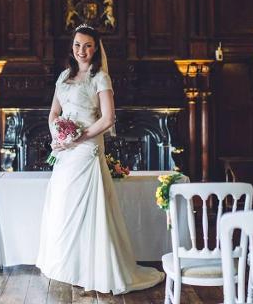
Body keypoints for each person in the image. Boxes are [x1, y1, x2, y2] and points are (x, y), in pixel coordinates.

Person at [36, 24, 164, 295]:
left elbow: (108, 119)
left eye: (87, 46)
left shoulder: (100, 78)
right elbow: (54, 114)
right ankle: (72, 267)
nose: (81, 50)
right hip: (66, 152)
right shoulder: (63, 77)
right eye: (77, 45)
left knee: (88, 209)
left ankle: (93, 268)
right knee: (63, 205)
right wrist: (57, 138)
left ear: (95, 49)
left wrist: (78, 138)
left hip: (86, 149)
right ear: (72, 48)